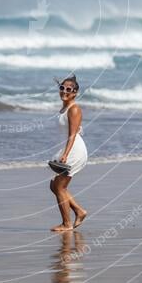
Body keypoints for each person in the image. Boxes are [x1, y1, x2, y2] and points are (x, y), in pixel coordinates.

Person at [49, 74, 88, 232]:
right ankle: (79, 211)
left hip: (74, 150)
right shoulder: (65, 108)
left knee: (59, 188)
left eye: (69, 89)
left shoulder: (74, 109)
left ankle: (67, 224)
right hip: (68, 148)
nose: (64, 91)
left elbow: (73, 134)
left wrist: (65, 154)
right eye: (62, 88)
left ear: (75, 92)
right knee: (54, 186)